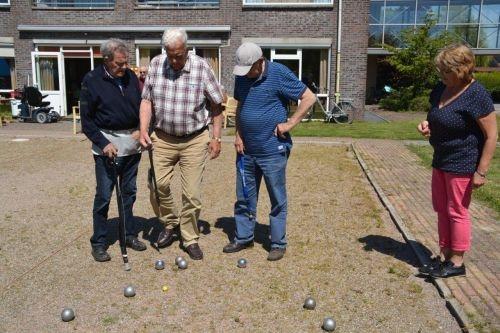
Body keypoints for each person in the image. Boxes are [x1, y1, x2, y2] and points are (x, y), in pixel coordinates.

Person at [222, 42, 316, 261]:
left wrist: (290, 123)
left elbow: (309, 97)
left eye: (249, 70)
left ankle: (277, 242)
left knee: (277, 197)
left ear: (260, 62)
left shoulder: (279, 73)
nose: (245, 75)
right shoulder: (243, 75)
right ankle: (244, 237)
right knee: (244, 195)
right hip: (246, 150)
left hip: (272, 150)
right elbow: (241, 105)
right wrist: (238, 134)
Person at [139, 28, 224, 260]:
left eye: (179, 55)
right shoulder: (156, 65)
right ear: (164, 51)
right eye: (170, 55)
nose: (175, 60)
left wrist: (216, 138)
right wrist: (144, 129)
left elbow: (217, 105)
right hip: (163, 138)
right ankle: (170, 223)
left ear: (186, 49)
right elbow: (146, 100)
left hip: (194, 140)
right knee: (159, 187)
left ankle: (189, 237)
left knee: (192, 194)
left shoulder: (201, 67)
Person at [417, 44, 497, 278]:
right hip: (440, 158)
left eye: (446, 71)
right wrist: (426, 125)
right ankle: (444, 255)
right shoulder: (442, 88)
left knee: (456, 211)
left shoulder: (477, 94)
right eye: (440, 71)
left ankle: (457, 261)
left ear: (462, 69)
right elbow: (436, 115)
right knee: (441, 209)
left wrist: (481, 171)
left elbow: (492, 135)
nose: (442, 76)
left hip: (463, 162)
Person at [80, 38, 147, 262]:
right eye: (119, 64)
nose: (124, 68)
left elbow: (145, 105)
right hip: (107, 145)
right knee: (104, 196)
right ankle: (99, 242)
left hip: (131, 144)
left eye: (126, 63)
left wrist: (142, 129)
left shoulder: (131, 78)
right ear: (106, 60)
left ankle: (128, 234)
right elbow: (87, 121)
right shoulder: (92, 80)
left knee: (129, 193)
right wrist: (103, 143)